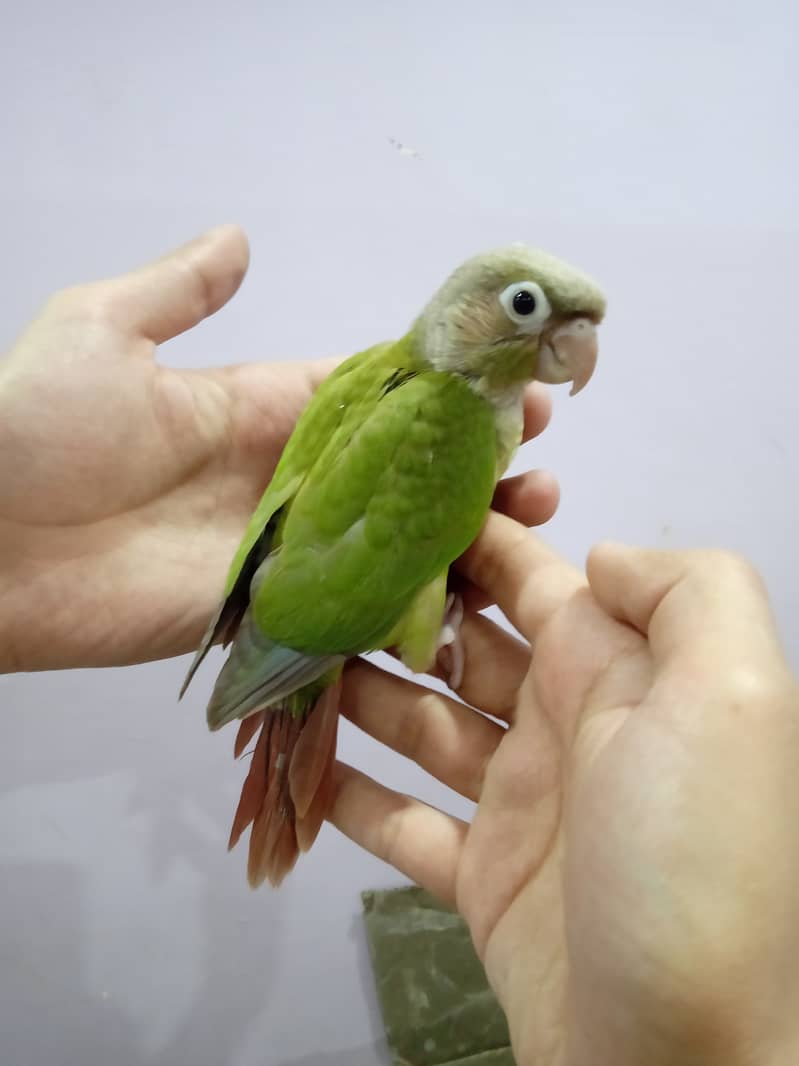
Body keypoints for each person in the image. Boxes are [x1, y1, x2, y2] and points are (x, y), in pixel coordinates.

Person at [1, 227, 797, 1065]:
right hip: (318, 616)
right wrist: (438, 637)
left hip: (306, 595)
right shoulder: (444, 417)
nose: (566, 341)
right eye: (526, 307)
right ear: (463, 310)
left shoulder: (379, 375)